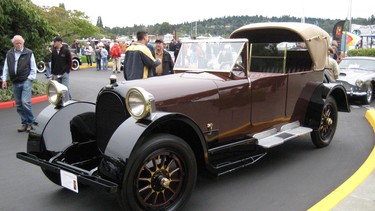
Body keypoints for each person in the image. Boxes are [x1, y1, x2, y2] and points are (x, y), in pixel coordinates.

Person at [1, 35, 37, 132]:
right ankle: (24, 123)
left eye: (20, 43)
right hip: (15, 81)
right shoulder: (9, 54)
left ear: (23, 43)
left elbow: (33, 67)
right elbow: (6, 68)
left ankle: (31, 122)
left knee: (25, 102)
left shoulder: (28, 53)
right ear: (13, 44)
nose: (19, 44)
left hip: (26, 80)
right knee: (19, 104)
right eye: (17, 43)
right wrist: (4, 80)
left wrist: (30, 78)